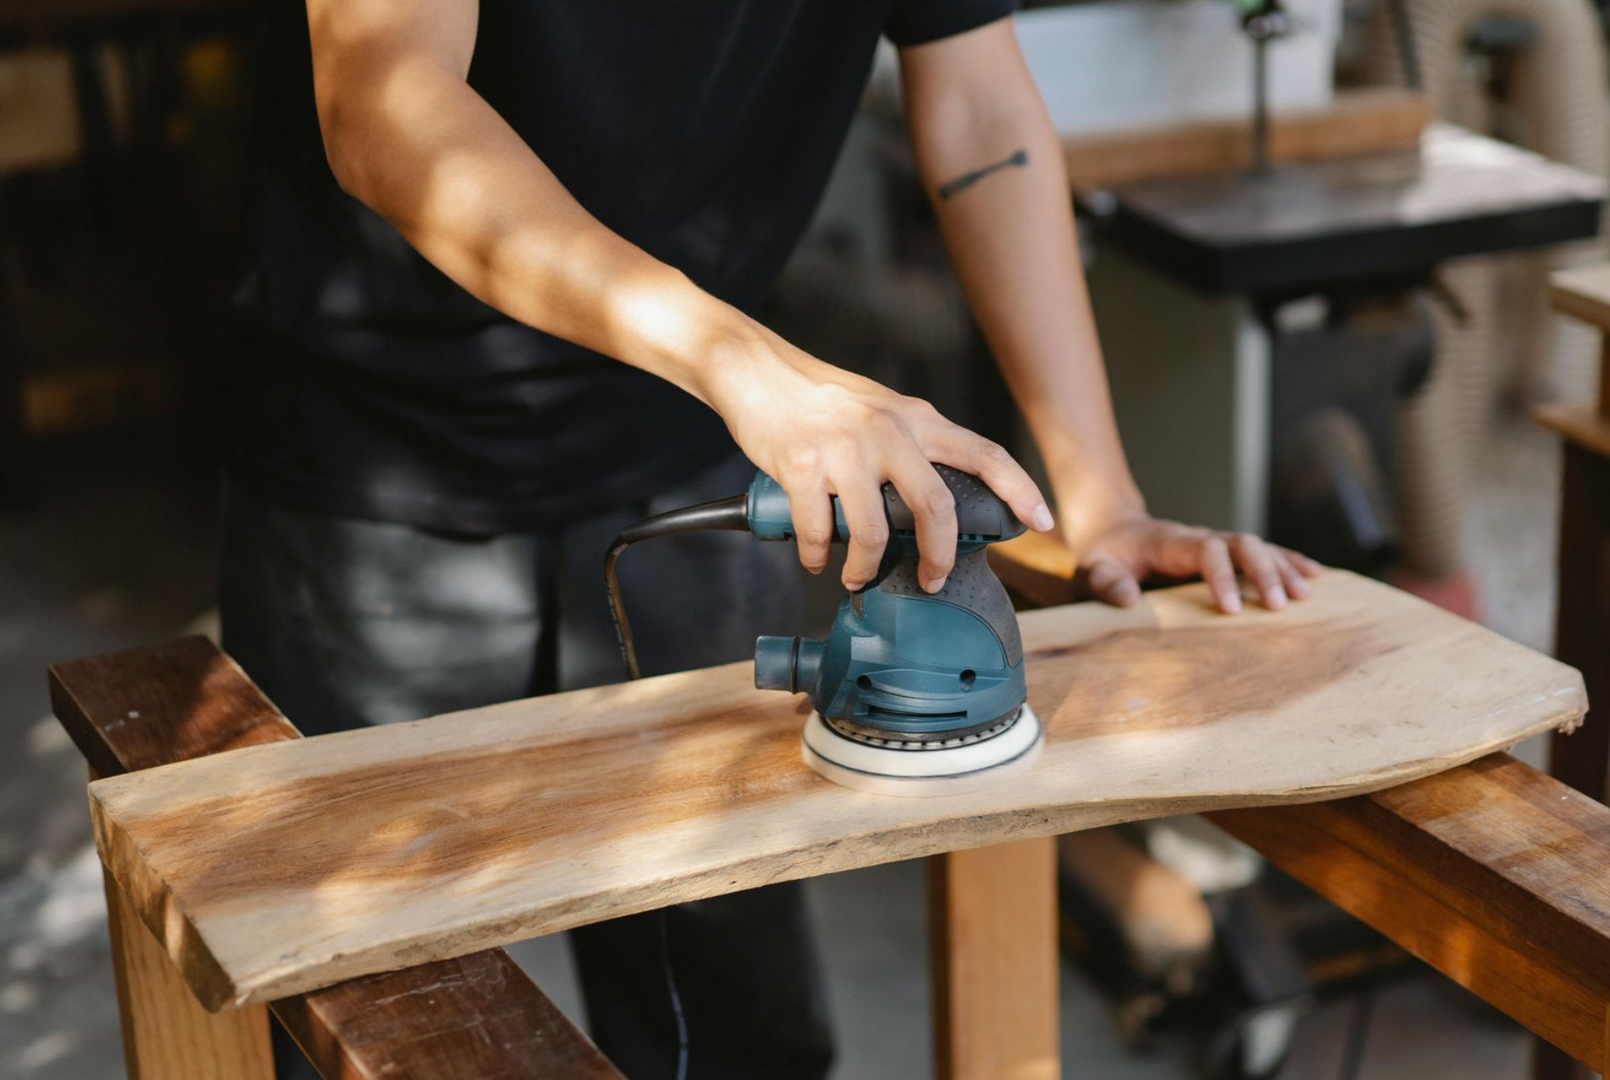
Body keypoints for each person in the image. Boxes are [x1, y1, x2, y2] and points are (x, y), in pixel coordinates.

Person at [221, 1, 1322, 1078]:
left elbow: (981, 108)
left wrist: (1100, 499)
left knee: (736, 1020)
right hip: (377, 460)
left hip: (680, 440)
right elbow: (385, 100)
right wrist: (745, 364)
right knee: (370, 1017)